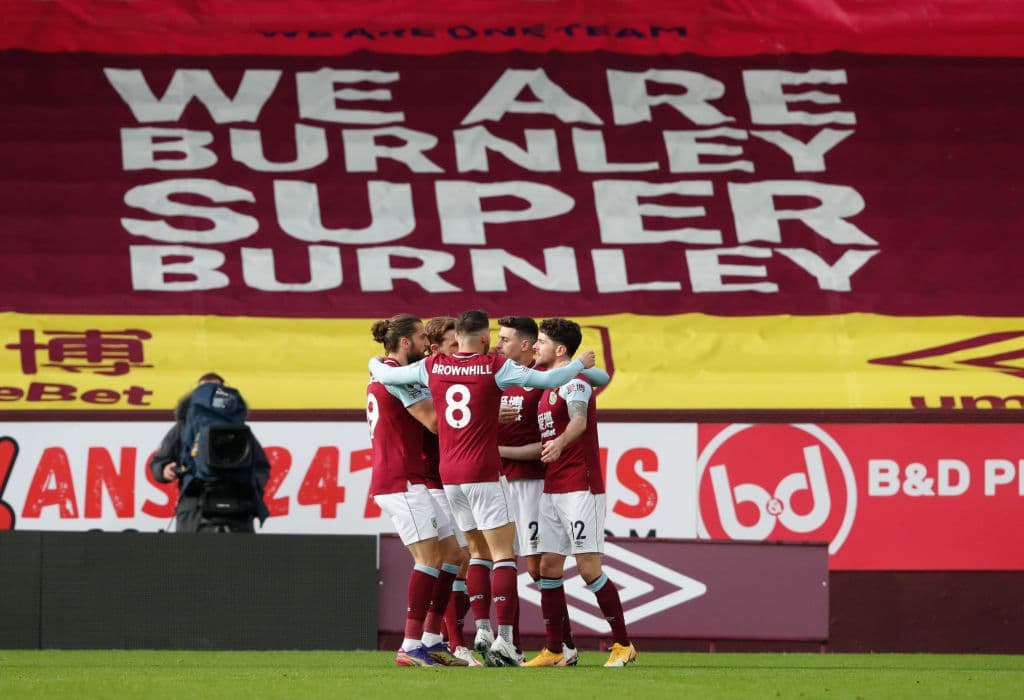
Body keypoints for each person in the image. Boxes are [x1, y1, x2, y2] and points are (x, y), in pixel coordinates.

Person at [368, 309, 597, 667]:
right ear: (485, 338)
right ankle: (502, 639)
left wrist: (372, 361)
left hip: (449, 476)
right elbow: (552, 379)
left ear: (457, 337)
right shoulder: (494, 366)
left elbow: (385, 373)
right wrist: (581, 363)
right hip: (482, 471)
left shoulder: (433, 366)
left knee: (471, 554)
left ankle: (474, 631)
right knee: (502, 555)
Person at [522, 318, 638, 668]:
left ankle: (623, 644)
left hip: (579, 486)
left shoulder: (575, 382)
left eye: (542, 341)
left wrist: (560, 443)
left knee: (588, 568)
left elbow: (578, 421)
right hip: (553, 487)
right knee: (548, 567)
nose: (536, 347)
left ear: (560, 349)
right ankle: (556, 649)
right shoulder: (548, 384)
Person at [367, 314, 468, 667]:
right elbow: (434, 422)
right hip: (400, 480)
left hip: (412, 479)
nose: (428, 344)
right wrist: (474, 411)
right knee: (429, 558)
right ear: (405, 341)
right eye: (422, 338)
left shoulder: (387, 372)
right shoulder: (398, 377)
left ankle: (431, 639)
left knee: (453, 554)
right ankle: (410, 645)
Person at [422, 314, 479, 667]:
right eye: (453, 344)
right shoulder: (428, 381)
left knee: (465, 560)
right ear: (435, 350)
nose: (460, 350)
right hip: (431, 480)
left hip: (454, 478)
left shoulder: (460, 378)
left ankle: (442, 638)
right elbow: (433, 425)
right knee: (454, 559)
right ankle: (450, 642)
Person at [149, 372, 270, 533]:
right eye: (204, 389)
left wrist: (248, 486)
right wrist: (164, 470)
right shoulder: (183, 428)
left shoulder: (240, 431)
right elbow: (159, 461)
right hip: (195, 508)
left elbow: (261, 467)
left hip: (236, 508)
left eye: (216, 388)